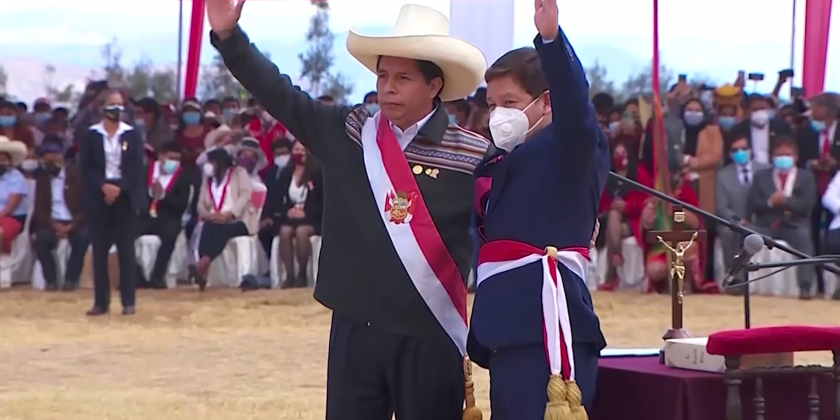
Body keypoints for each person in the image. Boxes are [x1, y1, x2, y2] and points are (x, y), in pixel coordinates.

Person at [207, 1, 489, 419]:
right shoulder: (350, 131)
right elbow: (280, 95)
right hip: (356, 328)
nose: (387, 88)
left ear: (434, 86)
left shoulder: (472, 154)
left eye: (403, 78)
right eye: (382, 75)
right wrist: (230, 39)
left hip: (430, 334)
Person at [467, 2, 609, 416]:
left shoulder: (572, 146)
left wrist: (551, 40)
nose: (499, 115)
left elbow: (576, 109)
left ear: (546, 102)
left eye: (510, 102)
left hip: (550, 326)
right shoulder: (495, 162)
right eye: (492, 104)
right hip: (504, 328)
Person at [79, 89, 147, 316]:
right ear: (102, 107)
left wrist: (120, 188)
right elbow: (86, 166)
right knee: (99, 250)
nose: (117, 109)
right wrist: (103, 186)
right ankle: (101, 302)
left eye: (120, 105)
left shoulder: (132, 134)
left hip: (124, 196)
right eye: (112, 104)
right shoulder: (91, 134)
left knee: (126, 249)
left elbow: (136, 167)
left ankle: (128, 301)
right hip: (99, 195)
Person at [747, 136, 817, 299]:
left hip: (794, 225)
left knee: (804, 239)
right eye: (779, 155)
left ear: (795, 157)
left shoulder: (806, 177)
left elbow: (808, 204)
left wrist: (785, 201)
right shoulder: (761, 176)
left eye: (787, 154)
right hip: (767, 225)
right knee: (746, 235)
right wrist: (771, 202)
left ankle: (805, 286)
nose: (783, 158)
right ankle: (738, 280)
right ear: (772, 157)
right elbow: (753, 202)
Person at [190, 148, 255, 290]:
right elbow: (200, 203)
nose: (208, 165)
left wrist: (229, 214)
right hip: (214, 219)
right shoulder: (208, 179)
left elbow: (245, 196)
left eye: (211, 162)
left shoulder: (239, 173)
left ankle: (203, 264)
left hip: (238, 220)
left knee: (223, 228)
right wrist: (208, 215)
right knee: (208, 227)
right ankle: (203, 271)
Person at [31, 136, 89, 291]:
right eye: (47, 160)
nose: (50, 163)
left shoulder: (77, 175)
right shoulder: (42, 178)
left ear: (62, 157)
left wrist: (72, 225)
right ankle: (51, 280)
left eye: (54, 158)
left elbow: (86, 207)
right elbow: (39, 210)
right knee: (40, 241)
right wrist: (54, 225)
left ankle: (70, 279)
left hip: (74, 222)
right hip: (52, 222)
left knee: (81, 240)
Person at [715, 134, 770, 289]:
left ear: (750, 150)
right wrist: (737, 220)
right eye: (735, 150)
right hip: (735, 222)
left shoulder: (765, 169)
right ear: (730, 154)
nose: (740, 152)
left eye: (744, 148)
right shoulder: (723, 175)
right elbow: (721, 206)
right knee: (727, 233)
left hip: (760, 220)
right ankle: (734, 278)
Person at [797, 92, 839, 293]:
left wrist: (836, 163)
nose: (812, 111)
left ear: (827, 109)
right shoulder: (806, 132)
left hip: (836, 193)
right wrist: (811, 163)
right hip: (812, 190)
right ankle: (819, 284)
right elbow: (798, 157)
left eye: (815, 107)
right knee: (812, 236)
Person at [135, 141, 192, 289]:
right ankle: (136, 276)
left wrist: (163, 196)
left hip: (168, 217)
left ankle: (157, 276)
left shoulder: (183, 176)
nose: (175, 162)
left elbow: (182, 204)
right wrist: (150, 193)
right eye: (171, 158)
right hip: (145, 216)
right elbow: (136, 195)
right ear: (161, 157)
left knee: (170, 235)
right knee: (124, 235)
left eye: (178, 159)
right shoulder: (145, 171)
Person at [597, 142, 652, 290]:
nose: (620, 157)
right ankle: (616, 256)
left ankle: (611, 273)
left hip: (634, 221)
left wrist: (627, 206)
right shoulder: (609, 176)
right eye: (616, 154)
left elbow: (647, 200)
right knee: (613, 216)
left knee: (613, 225)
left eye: (623, 153)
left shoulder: (639, 173)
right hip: (612, 220)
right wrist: (613, 206)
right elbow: (601, 204)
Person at [277, 140, 323, 288]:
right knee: (284, 231)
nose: (299, 153)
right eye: (296, 149)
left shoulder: (317, 173)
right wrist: (288, 211)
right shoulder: (285, 173)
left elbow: (322, 200)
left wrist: (305, 213)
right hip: (291, 217)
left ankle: (302, 274)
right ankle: (289, 275)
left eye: (303, 150)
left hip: (312, 218)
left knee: (301, 232)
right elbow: (278, 198)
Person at [730, 94, 792, 165]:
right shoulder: (738, 130)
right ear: (748, 111)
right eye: (756, 109)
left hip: (775, 168)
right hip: (749, 168)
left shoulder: (782, 128)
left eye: (763, 108)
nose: (760, 112)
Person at [258, 138, 292, 255]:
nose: (281, 157)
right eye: (278, 154)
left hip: (287, 214)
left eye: (284, 153)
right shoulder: (271, 172)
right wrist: (266, 217)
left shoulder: (295, 171)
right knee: (263, 232)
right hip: (273, 215)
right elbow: (268, 198)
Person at [0, 136, 29, 254]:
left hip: (12, 217)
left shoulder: (16, 177)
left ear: (10, 161)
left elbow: (11, 206)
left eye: (4, 160)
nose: (1, 163)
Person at [175, 98, 212, 168]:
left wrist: (203, 153)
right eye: (187, 110)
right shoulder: (178, 134)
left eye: (193, 111)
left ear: (200, 113)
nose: (190, 113)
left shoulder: (208, 131)